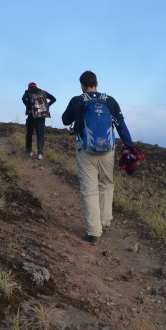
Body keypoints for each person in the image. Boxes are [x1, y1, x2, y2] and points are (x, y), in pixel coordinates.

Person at [61, 70, 135, 244]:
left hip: (85, 151)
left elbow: (65, 120)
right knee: (107, 185)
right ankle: (105, 221)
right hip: (108, 151)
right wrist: (129, 146)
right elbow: (121, 126)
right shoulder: (110, 101)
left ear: (81, 85)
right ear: (97, 83)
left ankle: (94, 232)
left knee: (90, 191)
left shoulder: (77, 100)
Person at [22, 82, 56, 159]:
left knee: (29, 134)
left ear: (29, 87)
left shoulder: (28, 92)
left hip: (31, 116)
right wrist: (47, 106)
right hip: (41, 116)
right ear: (36, 86)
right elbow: (54, 99)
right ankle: (40, 153)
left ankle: (29, 151)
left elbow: (23, 99)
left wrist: (29, 106)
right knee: (40, 135)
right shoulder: (43, 92)